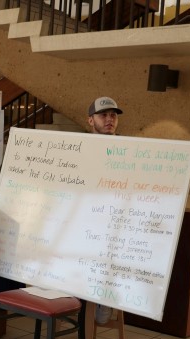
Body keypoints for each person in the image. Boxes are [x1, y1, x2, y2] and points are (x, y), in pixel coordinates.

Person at [88, 96, 123, 324]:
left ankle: (103, 302)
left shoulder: (128, 150)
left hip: (112, 223)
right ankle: (73, 303)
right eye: (104, 115)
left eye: (113, 115)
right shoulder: (78, 148)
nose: (109, 119)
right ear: (90, 120)